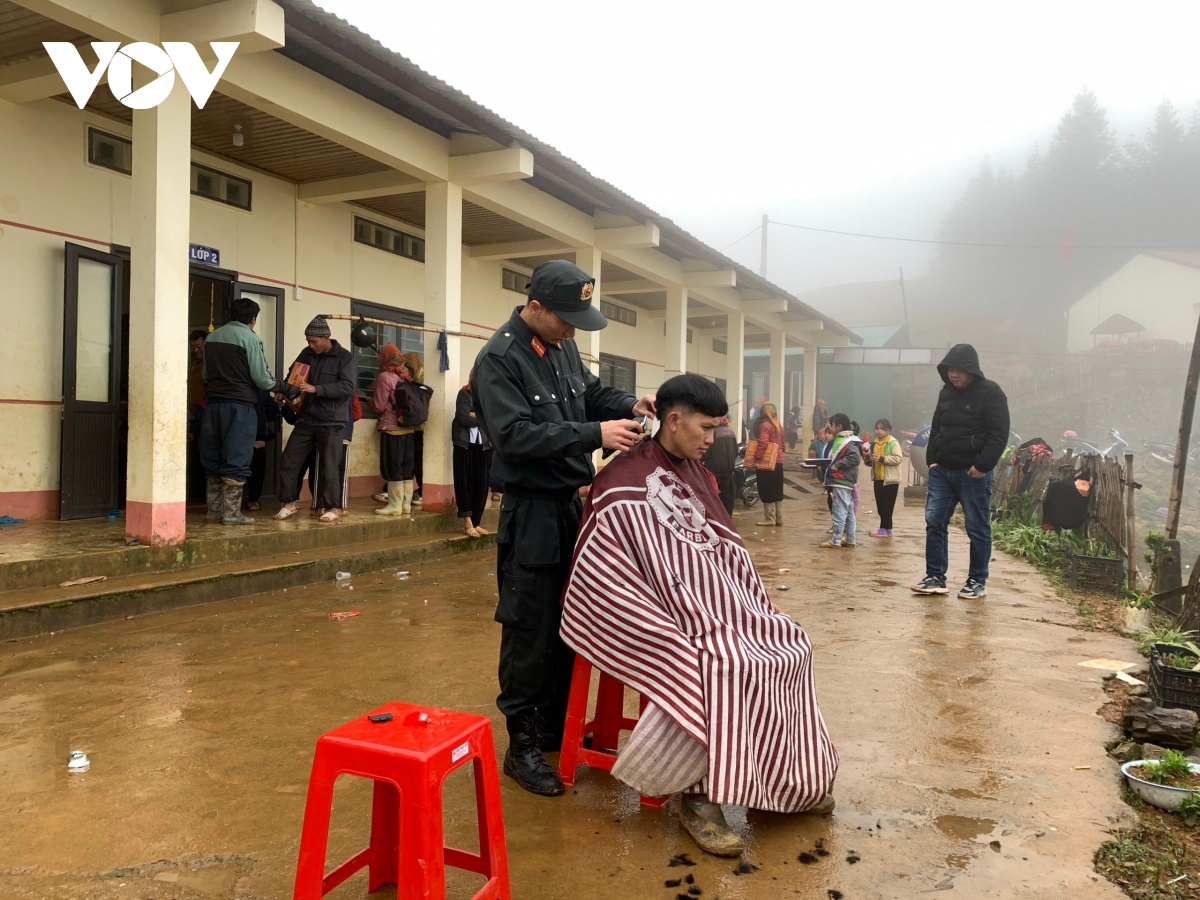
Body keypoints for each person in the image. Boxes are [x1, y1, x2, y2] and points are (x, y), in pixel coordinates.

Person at [560, 374, 838, 857]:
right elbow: (607, 572)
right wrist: (676, 613)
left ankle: (780, 782)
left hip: (713, 604)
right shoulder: (622, 478)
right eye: (706, 428)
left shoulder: (695, 471)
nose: (713, 440)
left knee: (788, 644)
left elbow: (719, 551)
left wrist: (741, 603)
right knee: (723, 662)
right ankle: (699, 798)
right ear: (673, 420)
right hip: (651, 611)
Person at [473, 259, 655, 798]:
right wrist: (593, 432)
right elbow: (515, 436)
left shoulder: (560, 347)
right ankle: (523, 743)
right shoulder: (499, 360)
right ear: (536, 307)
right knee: (529, 627)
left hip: (571, 508)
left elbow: (591, 391)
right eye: (567, 318)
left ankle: (553, 727)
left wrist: (628, 404)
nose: (575, 328)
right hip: (530, 511)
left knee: (569, 621)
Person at [912, 344, 1010, 599]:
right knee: (935, 522)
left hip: (972, 474)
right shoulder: (946, 393)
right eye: (950, 370)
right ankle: (935, 577)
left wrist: (982, 466)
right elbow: (936, 427)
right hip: (942, 471)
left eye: (958, 370)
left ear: (971, 370)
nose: (953, 375)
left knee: (977, 528)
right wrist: (932, 461)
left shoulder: (991, 393)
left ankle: (977, 581)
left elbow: (999, 434)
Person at [201, 297, 299, 524]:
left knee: (212, 458)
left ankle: (214, 512)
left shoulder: (212, 338)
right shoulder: (250, 338)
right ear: (253, 319)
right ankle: (232, 514)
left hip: (213, 406)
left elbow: (206, 375)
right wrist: (287, 388)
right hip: (240, 407)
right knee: (237, 457)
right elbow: (262, 378)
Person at [274, 316, 357, 524]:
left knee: (329, 465)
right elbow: (294, 376)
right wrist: (283, 390)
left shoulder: (344, 357)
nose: (311, 345)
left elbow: (348, 388)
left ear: (326, 337)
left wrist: (316, 389)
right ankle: (289, 502)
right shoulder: (306, 353)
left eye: (314, 341)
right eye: (308, 341)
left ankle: (333, 507)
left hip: (331, 421)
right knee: (289, 459)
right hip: (307, 419)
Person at [370, 344, 419, 517]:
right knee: (406, 468)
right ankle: (406, 505)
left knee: (393, 467)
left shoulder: (385, 377)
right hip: (409, 429)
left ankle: (394, 505)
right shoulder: (406, 376)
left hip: (391, 429)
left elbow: (379, 405)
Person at [453, 371, 492, 537]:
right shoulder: (464, 393)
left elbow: (494, 418)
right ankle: (467, 522)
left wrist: (475, 415)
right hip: (465, 444)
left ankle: (477, 522)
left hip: (484, 444)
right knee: (464, 482)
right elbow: (463, 418)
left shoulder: (489, 397)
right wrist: (482, 417)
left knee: (482, 484)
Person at [820, 413, 860, 548]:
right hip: (843, 480)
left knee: (839, 511)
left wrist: (838, 465)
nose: (829, 428)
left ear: (839, 426)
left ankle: (835, 540)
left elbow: (855, 458)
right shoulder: (844, 439)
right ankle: (850, 539)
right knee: (848, 512)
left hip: (841, 480)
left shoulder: (847, 441)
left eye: (831, 425)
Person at [244, 389, 281, 511]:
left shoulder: (235, 389)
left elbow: (273, 409)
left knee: (234, 466)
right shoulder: (261, 392)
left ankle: (232, 501)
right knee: (257, 470)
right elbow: (273, 409)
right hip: (256, 434)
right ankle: (253, 500)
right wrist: (262, 420)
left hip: (238, 435)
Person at [751, 402, 786, 527]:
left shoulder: (765, 425)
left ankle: (769, 518)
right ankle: (779, 518)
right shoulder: (778, 425)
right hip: (779, 462)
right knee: (777, 490)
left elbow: (763, 443)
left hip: (767, 463)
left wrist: (756, 458)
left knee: (766, 489)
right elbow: (783, 444)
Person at [867, 418, 903, 537]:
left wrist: (882, 459)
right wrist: (867, 458)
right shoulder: (873, 443)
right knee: (880, 506)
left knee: (887, 505)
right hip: (878, 478)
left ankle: (883, 529)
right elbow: (870, 462)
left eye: (882, 429)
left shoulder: (893, 442)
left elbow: (898, 459)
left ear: (888, 430)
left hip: (890, 479)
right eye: (877, 428)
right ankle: (888, 529)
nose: (879, 431)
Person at [187, 329, 208, 501]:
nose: (196, 350)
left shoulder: (210, 365)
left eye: (199, 346)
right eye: (193, 347)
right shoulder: (190, 364)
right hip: (188, 413)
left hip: (203, 414)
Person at [701, 415, 738, 515]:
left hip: (714, 471)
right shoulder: (731, 433)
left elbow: (706, 454)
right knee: (728, 497)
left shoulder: (714, 433)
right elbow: (736, 452)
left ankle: (717, 517)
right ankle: (728, 518)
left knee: (715, 496)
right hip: (728, 470)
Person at [404, 350, 426, 508]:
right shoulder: (418, 378)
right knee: (412, 459)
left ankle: (424, 491)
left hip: (419, 427)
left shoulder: (421, 380)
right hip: (414, 426)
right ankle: (417, 490)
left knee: (417, 460)